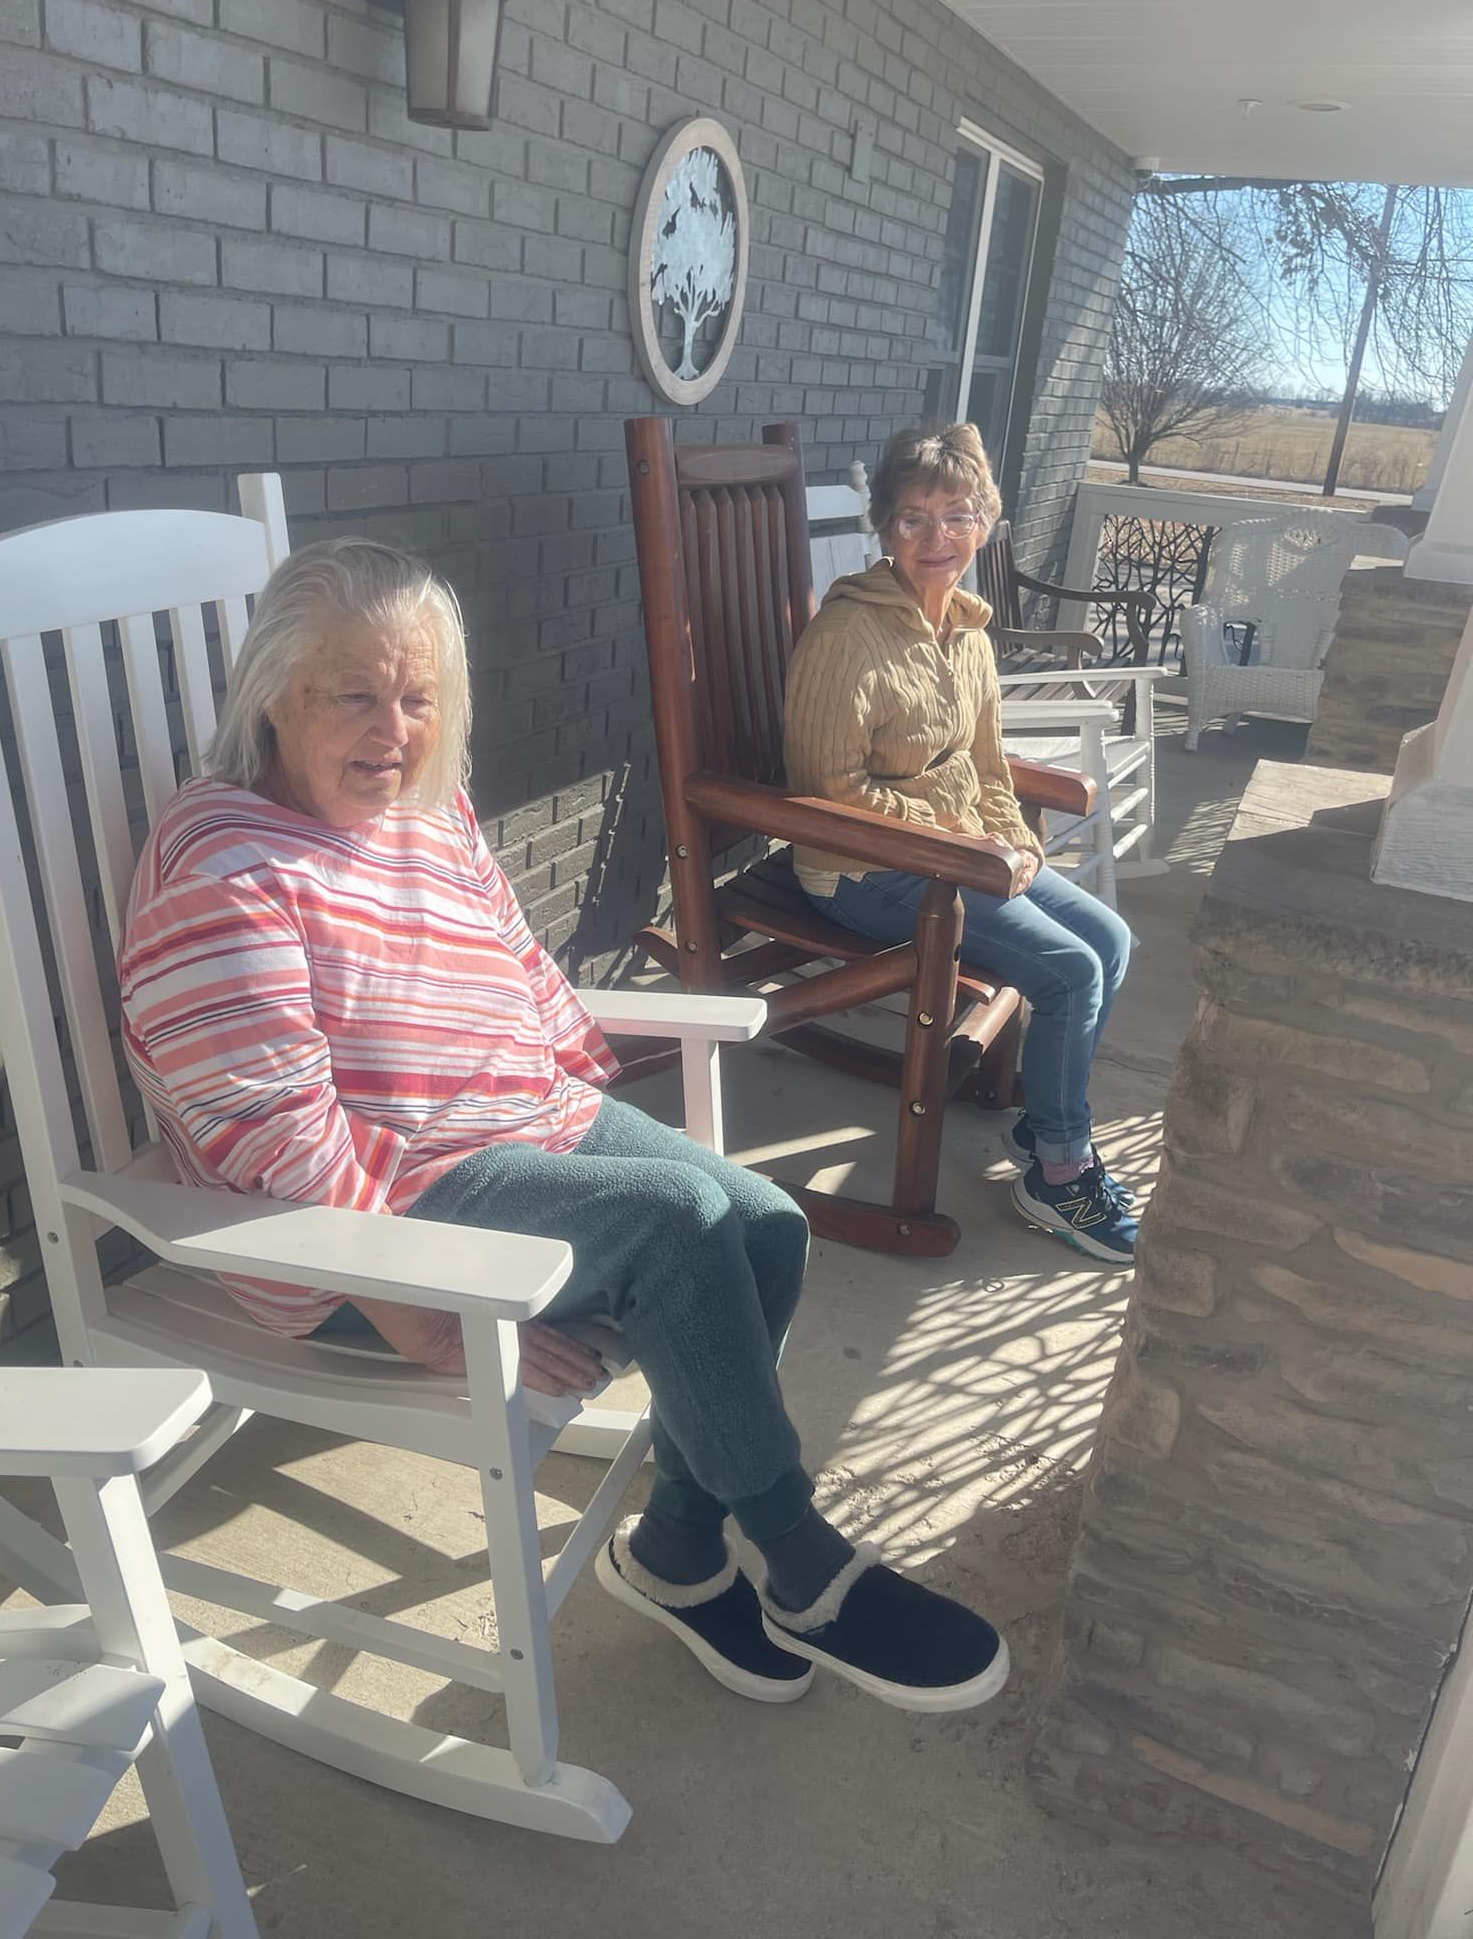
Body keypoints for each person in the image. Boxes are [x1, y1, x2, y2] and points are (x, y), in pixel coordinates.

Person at [118, 538, 1009, 1716]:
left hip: (513, 1129)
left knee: (765, 1223)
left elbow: (525, 970)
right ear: (273, 697)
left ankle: (681, 1551)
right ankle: (803, 1561)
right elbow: (278, 1143)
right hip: (373, 1213)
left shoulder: (428, 813)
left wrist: (590, 1104)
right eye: (355, 694)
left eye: (420, 695)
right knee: (683, 1229)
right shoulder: (226, 869)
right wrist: (430, 1323)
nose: (395, 729)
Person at [783, 425, 1138, 1264]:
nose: (937, 539)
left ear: (986, 521)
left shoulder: (969, 633)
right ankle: (1057, 1170)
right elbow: (828, 786)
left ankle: (1046, 1123)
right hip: (862, 868)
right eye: (913, 519)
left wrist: (1014, 849)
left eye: (957, 515)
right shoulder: (848, 637)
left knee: (1111, 941)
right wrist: (957, 842)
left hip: (954, 856)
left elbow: (985, 764)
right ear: (885, 528)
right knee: (1071, 972)